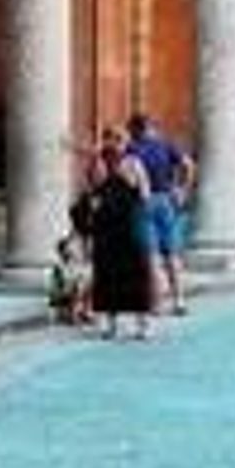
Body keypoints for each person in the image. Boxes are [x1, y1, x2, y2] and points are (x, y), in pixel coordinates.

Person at [83, 136, 157, 340]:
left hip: (129, 229)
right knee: (108, 277)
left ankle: (142, 325)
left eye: (117, 143)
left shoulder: (133, 165)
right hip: (107, 232)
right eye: (110, 144)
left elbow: (145, 195)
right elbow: (91, 194)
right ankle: (111, 325)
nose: (113, 148)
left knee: (136, 276)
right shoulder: (100, 168)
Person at [124, 113, 195, 315]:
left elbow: (130, 178)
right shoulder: (166, 145)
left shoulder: (133, 148)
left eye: (131, 131)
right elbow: (188, 164)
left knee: (152, 256)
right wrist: (182, 190)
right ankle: (179, 300)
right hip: (167, 201)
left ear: (136, 129)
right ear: (152, 127)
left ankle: (157, 303)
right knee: (172, 254)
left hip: (143, 203)